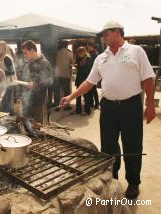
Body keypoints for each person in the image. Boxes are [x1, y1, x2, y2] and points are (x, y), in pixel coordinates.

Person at [60, 21, 156, 199]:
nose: (103, 37)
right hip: (108, 107)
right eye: (103, 34)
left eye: (106, 33)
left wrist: (150, 104)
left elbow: (148, 78)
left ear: (117, 31)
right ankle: (112, 179)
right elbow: (89, 83)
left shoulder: (135, 51)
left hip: (131, 106)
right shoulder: (100, 58)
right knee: (109, 146)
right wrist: (71, 97)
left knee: (132, 145)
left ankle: (133, 182)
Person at [21, 40, 52, 124]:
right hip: (27, 99)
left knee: (37, 125)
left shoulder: (44, 63)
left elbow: (48, 81)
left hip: (38, 100)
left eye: (26, 53)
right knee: (27, 124)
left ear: (32, 50)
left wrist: (35, 85)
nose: (24, 55)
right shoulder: (28, 63)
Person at [0, 41, 17, 114]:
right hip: (4, 84)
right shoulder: (0, 57)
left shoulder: (6, 58)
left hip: (8, 84)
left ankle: (6, 120)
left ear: (4, 48)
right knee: (3, 104)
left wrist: (0, 72)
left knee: (6, 105)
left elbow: (12, 72)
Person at [54, 40, 74, 110]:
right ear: (66, 45)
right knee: (66, 91)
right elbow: (73, 63)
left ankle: (57, 106)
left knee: (57, 91)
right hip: (65, 74)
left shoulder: (56, 53)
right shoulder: (69, 53)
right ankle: (66, 106)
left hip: (56, 75)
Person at [73, 46, 93, 116]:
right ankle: (78, 109)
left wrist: (79, 66)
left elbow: (88, 69)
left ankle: (87, 111)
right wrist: (77, 65)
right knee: (77, 95)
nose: (78, 55)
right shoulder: (81, 58)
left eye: (79, 53)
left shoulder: (88, 58)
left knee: (86, 96)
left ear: (83, 52)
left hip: (84, 79)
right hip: (79, 79)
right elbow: (80, 66)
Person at [87, 43, 100, 108]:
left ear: (93, 47)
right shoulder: (92, 53)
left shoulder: (94, 54)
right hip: (91, 73)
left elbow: (92, 65)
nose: (88, 48)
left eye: (89, 47)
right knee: (92, 90)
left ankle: (96, 104)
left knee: (93, 90)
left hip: (93, 73)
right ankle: (92, 103)